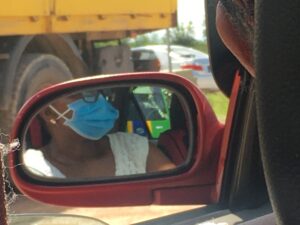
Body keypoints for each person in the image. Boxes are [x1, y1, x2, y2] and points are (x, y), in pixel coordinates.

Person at [23, 91, 175, 178]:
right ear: (49, 113)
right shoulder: (31, 167)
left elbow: (175, 189)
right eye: (78, 95)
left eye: (97, 93)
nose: (99, 102)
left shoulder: (134, 147)